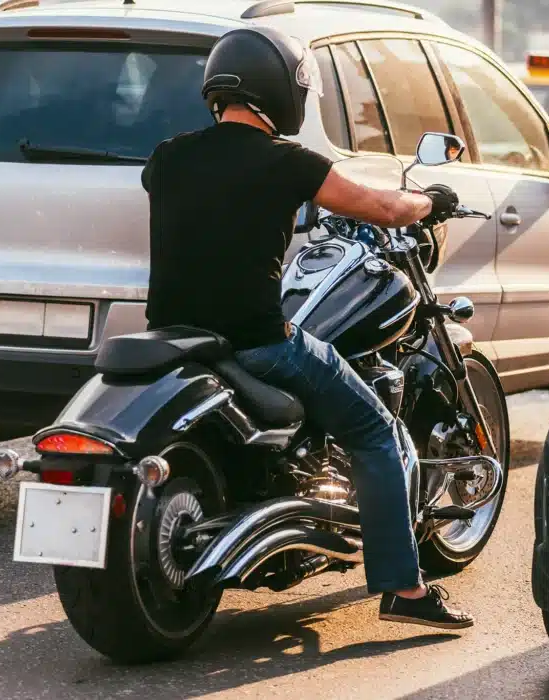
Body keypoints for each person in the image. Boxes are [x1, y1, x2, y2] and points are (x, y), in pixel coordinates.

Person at [141, 26, 473, 630]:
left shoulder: (167, 158)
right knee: (377, 430)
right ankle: (406, 591)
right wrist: (431, 201)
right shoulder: (286, 163)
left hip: (179, 339)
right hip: (260, 343)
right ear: (284, 91)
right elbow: (383, 208)